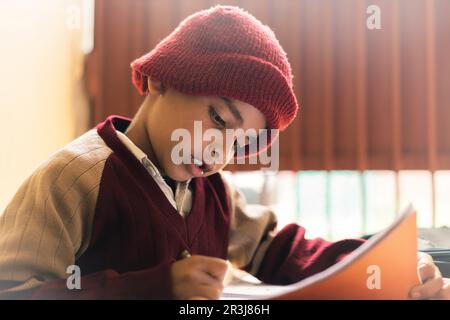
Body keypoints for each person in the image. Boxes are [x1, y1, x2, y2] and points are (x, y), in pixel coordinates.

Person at [0, 5, 448, 300]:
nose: (220, 154)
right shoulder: (75, 179)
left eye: (241, 144)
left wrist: (378, 266)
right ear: (161, 79)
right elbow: (13, 290)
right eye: (218, 120)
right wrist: (157, 289)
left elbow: (279, 250)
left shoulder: (213, 190)